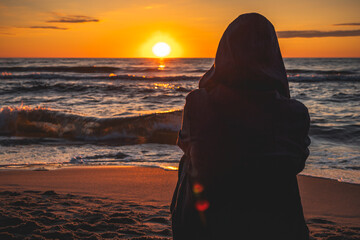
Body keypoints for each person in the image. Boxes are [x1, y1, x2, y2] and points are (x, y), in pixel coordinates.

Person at [170, 13, 311, 240]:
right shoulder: (295, 112)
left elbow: (185, 143)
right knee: (277, 173)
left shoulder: (199, 102)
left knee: (189, 159)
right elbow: (297, 160)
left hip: (205, 226)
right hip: (275, 225)